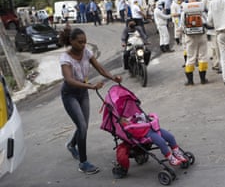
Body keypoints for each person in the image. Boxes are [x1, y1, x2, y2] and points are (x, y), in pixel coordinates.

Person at [59, 26, 122, 174]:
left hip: (83, 93)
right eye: (80, 42)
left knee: (84, 126)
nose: (83, 45)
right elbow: (69, 80)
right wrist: (90, 86)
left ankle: (71, 144)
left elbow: (100, 68)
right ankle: (83, 163)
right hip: (70, 94)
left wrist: (113, 77)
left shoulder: (86, 52)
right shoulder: (65, 58)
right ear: (71, 41)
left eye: (85, 42)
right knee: (81, 126)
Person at [113, 113, 187, 178]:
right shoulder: (128, 128)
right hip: (146, 134)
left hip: (153, 128)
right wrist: (131, 124)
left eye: (125, 119)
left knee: (170, 137)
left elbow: (139, 117)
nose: (126, 120)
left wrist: (145, 118)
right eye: (123, 121)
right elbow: (129, 129)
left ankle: (176, 152)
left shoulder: (132, 120)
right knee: (161, 142)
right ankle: (170, 158)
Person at [180, 0, 209, 85]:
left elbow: (181, 26)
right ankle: (203, 80)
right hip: (201, 35)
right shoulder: (200, 10)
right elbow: (207, 21)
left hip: (190, 37)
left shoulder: (184, 12)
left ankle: (190, 81)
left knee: (190, 57)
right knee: (202, 56)